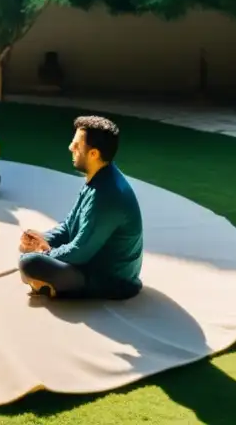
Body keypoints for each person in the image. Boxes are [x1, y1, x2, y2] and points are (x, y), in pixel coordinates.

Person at [18, 115, 143, 300]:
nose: (70, 147)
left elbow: (79, 252)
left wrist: (44, 251)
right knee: (28, 247)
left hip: (111, 279)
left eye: (76, 145)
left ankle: (52, 284)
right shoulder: (100, 175)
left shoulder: (106, 195)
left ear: (93, 154)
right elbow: (70, 224)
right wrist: (44, 238)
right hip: (92, 258)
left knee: (30, 262)